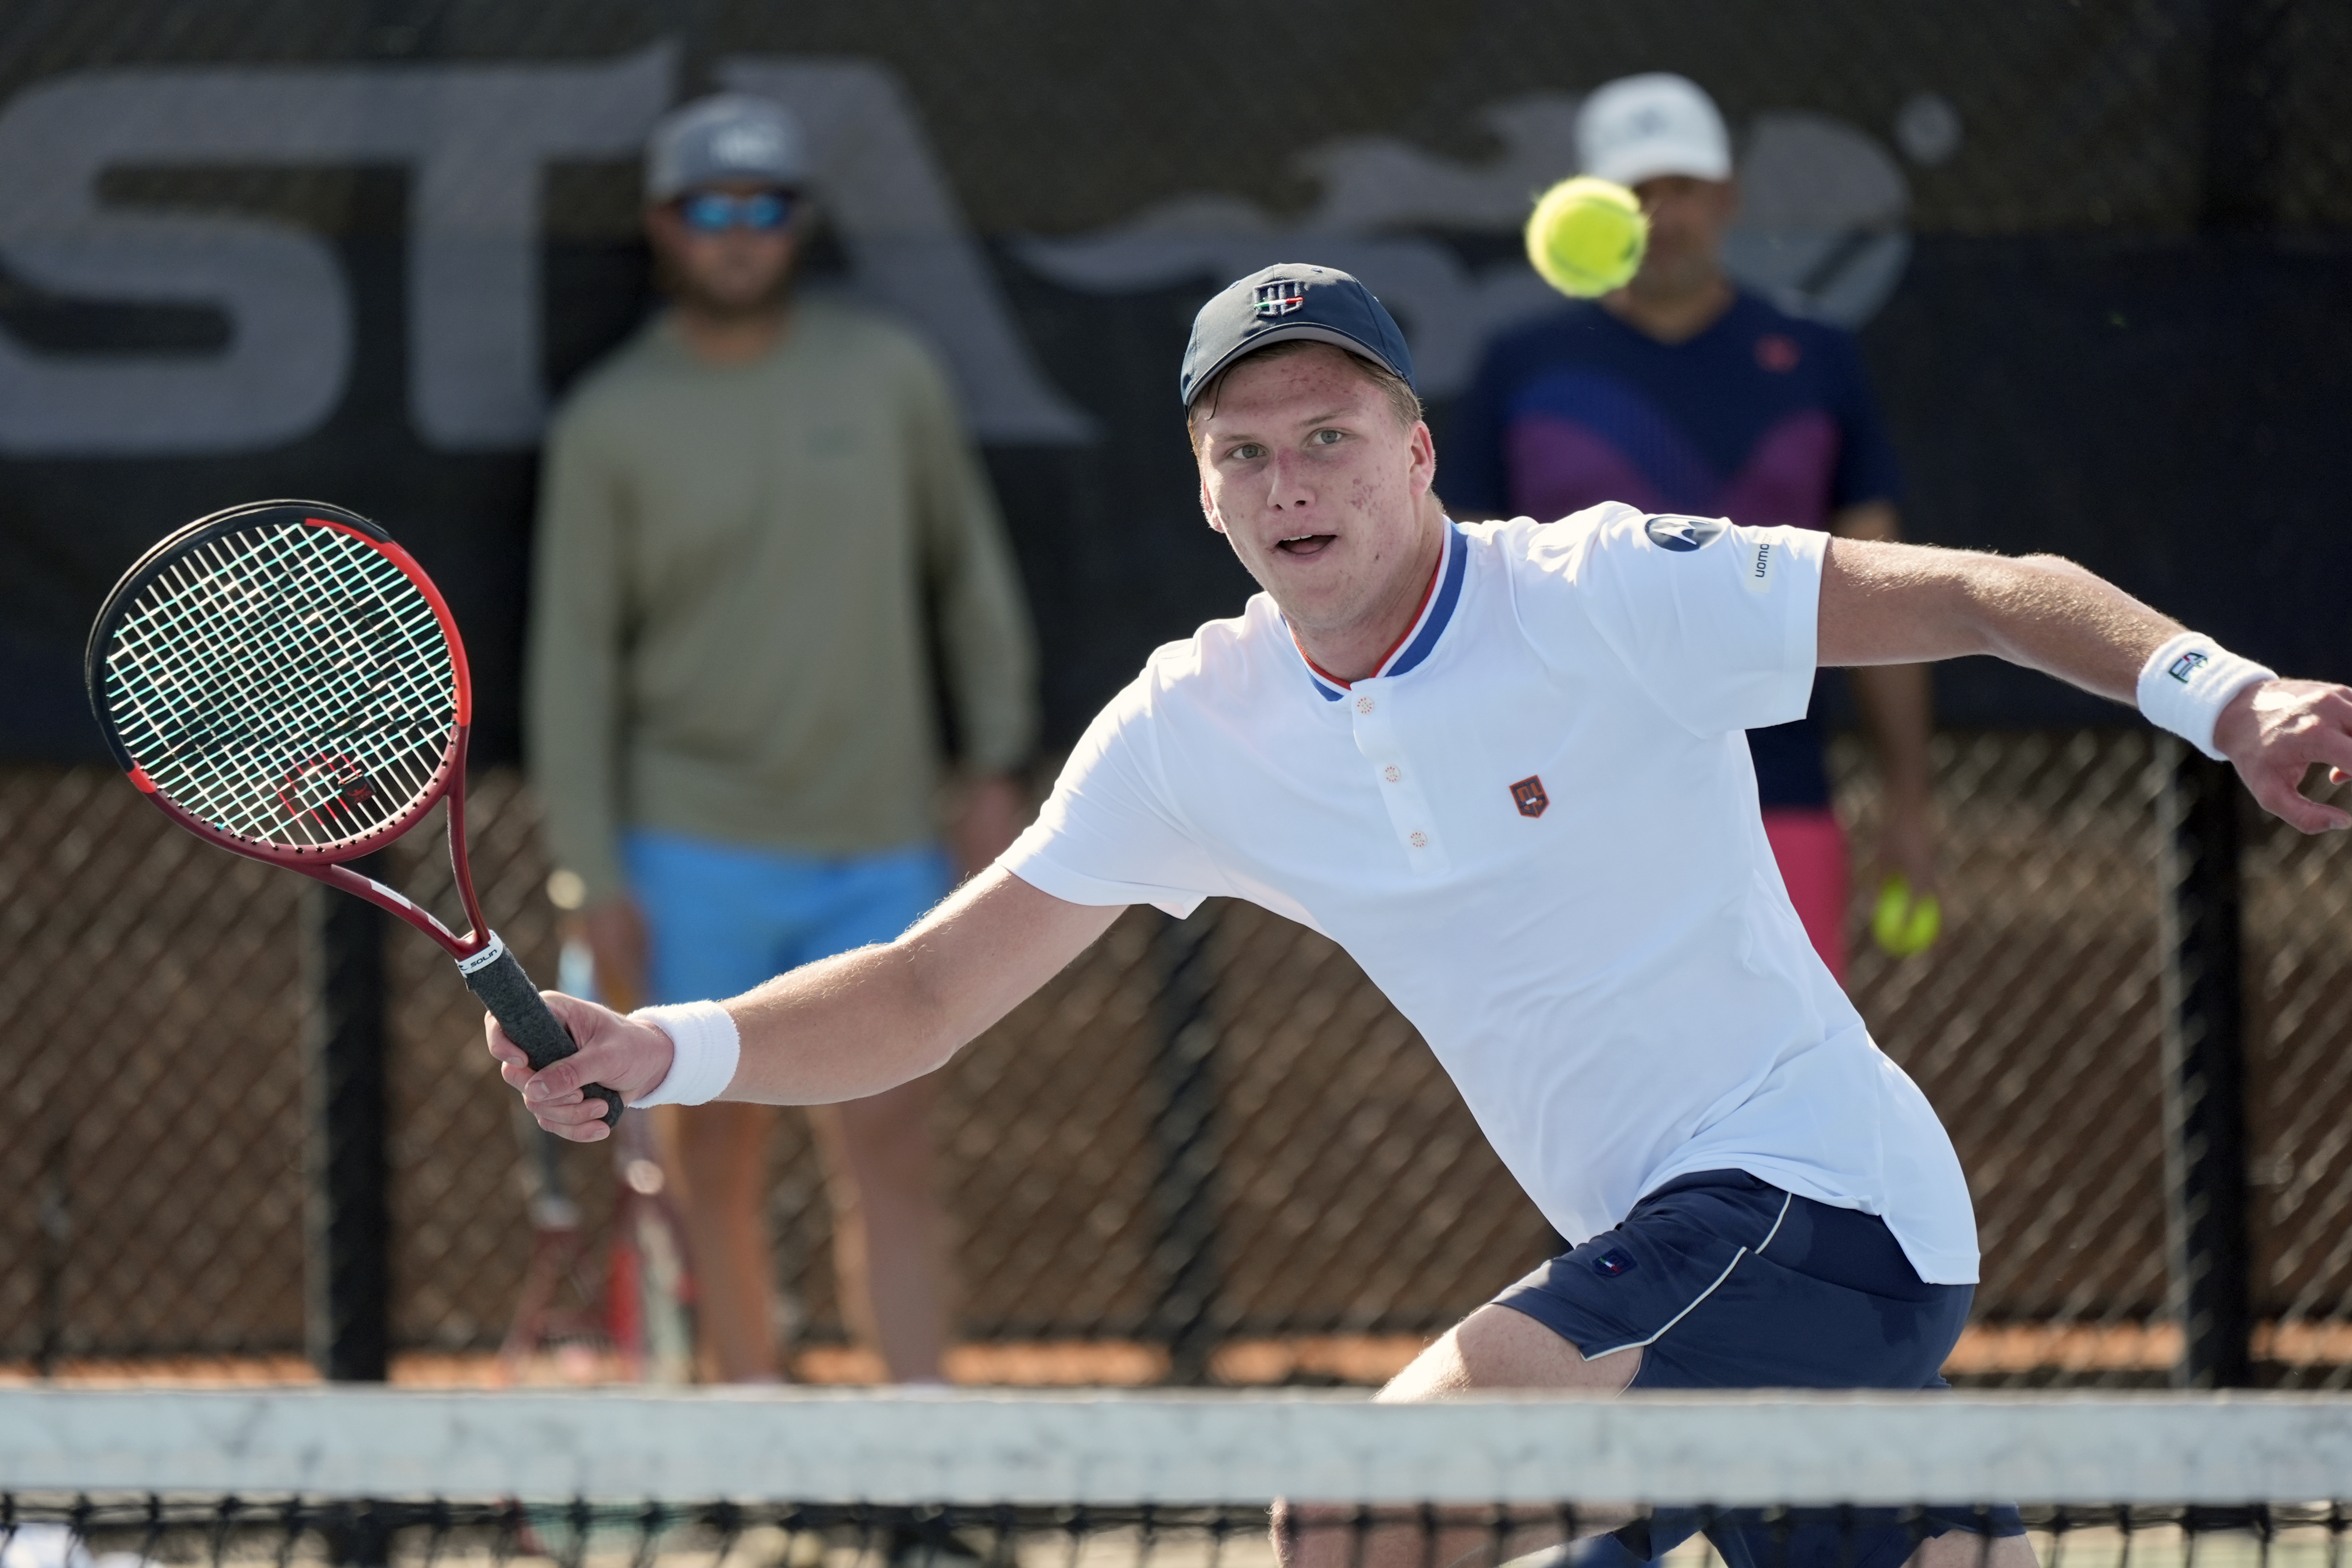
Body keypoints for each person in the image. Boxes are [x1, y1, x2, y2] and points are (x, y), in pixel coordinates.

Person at [501, 261, 2352, 1566]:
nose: (1290, 480)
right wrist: (666, 1048)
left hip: (1822, 1199)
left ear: (1415, 451)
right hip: (1687, 1279)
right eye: (1246, 451)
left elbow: (1983, 588)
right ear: (1205, 491)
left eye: (1329, 434)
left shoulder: (1606, 591)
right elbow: (921, 992)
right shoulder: (1189, 727)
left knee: (1360, 1513)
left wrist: (2231, 696)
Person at [525, 93, 1039, 1384]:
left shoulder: (887, 374)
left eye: (765, 207)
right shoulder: (609, 420)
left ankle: (926, 1475)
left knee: (896, 1151)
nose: (740, 233)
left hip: (878, 844)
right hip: (688, 845)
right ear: (663, 226)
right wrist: (596, 871)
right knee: (709, 1160)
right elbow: (572, 666)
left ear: (797, 224)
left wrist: (992, 762)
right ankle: (760, 1464)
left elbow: (966, 576)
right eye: (712, 208)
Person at [1447, 72, 1931, 978]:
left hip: (1778, 795)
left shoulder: (1817, 356)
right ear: (1592, 207)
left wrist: (1909, 799)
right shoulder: (1518, 365)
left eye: (1683, 188)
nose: (1661, 214)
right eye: (1636, 193)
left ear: (1728, 196)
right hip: (1565, 806)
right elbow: (1460, 597)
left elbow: (1882, 575)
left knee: (1790, 1085)